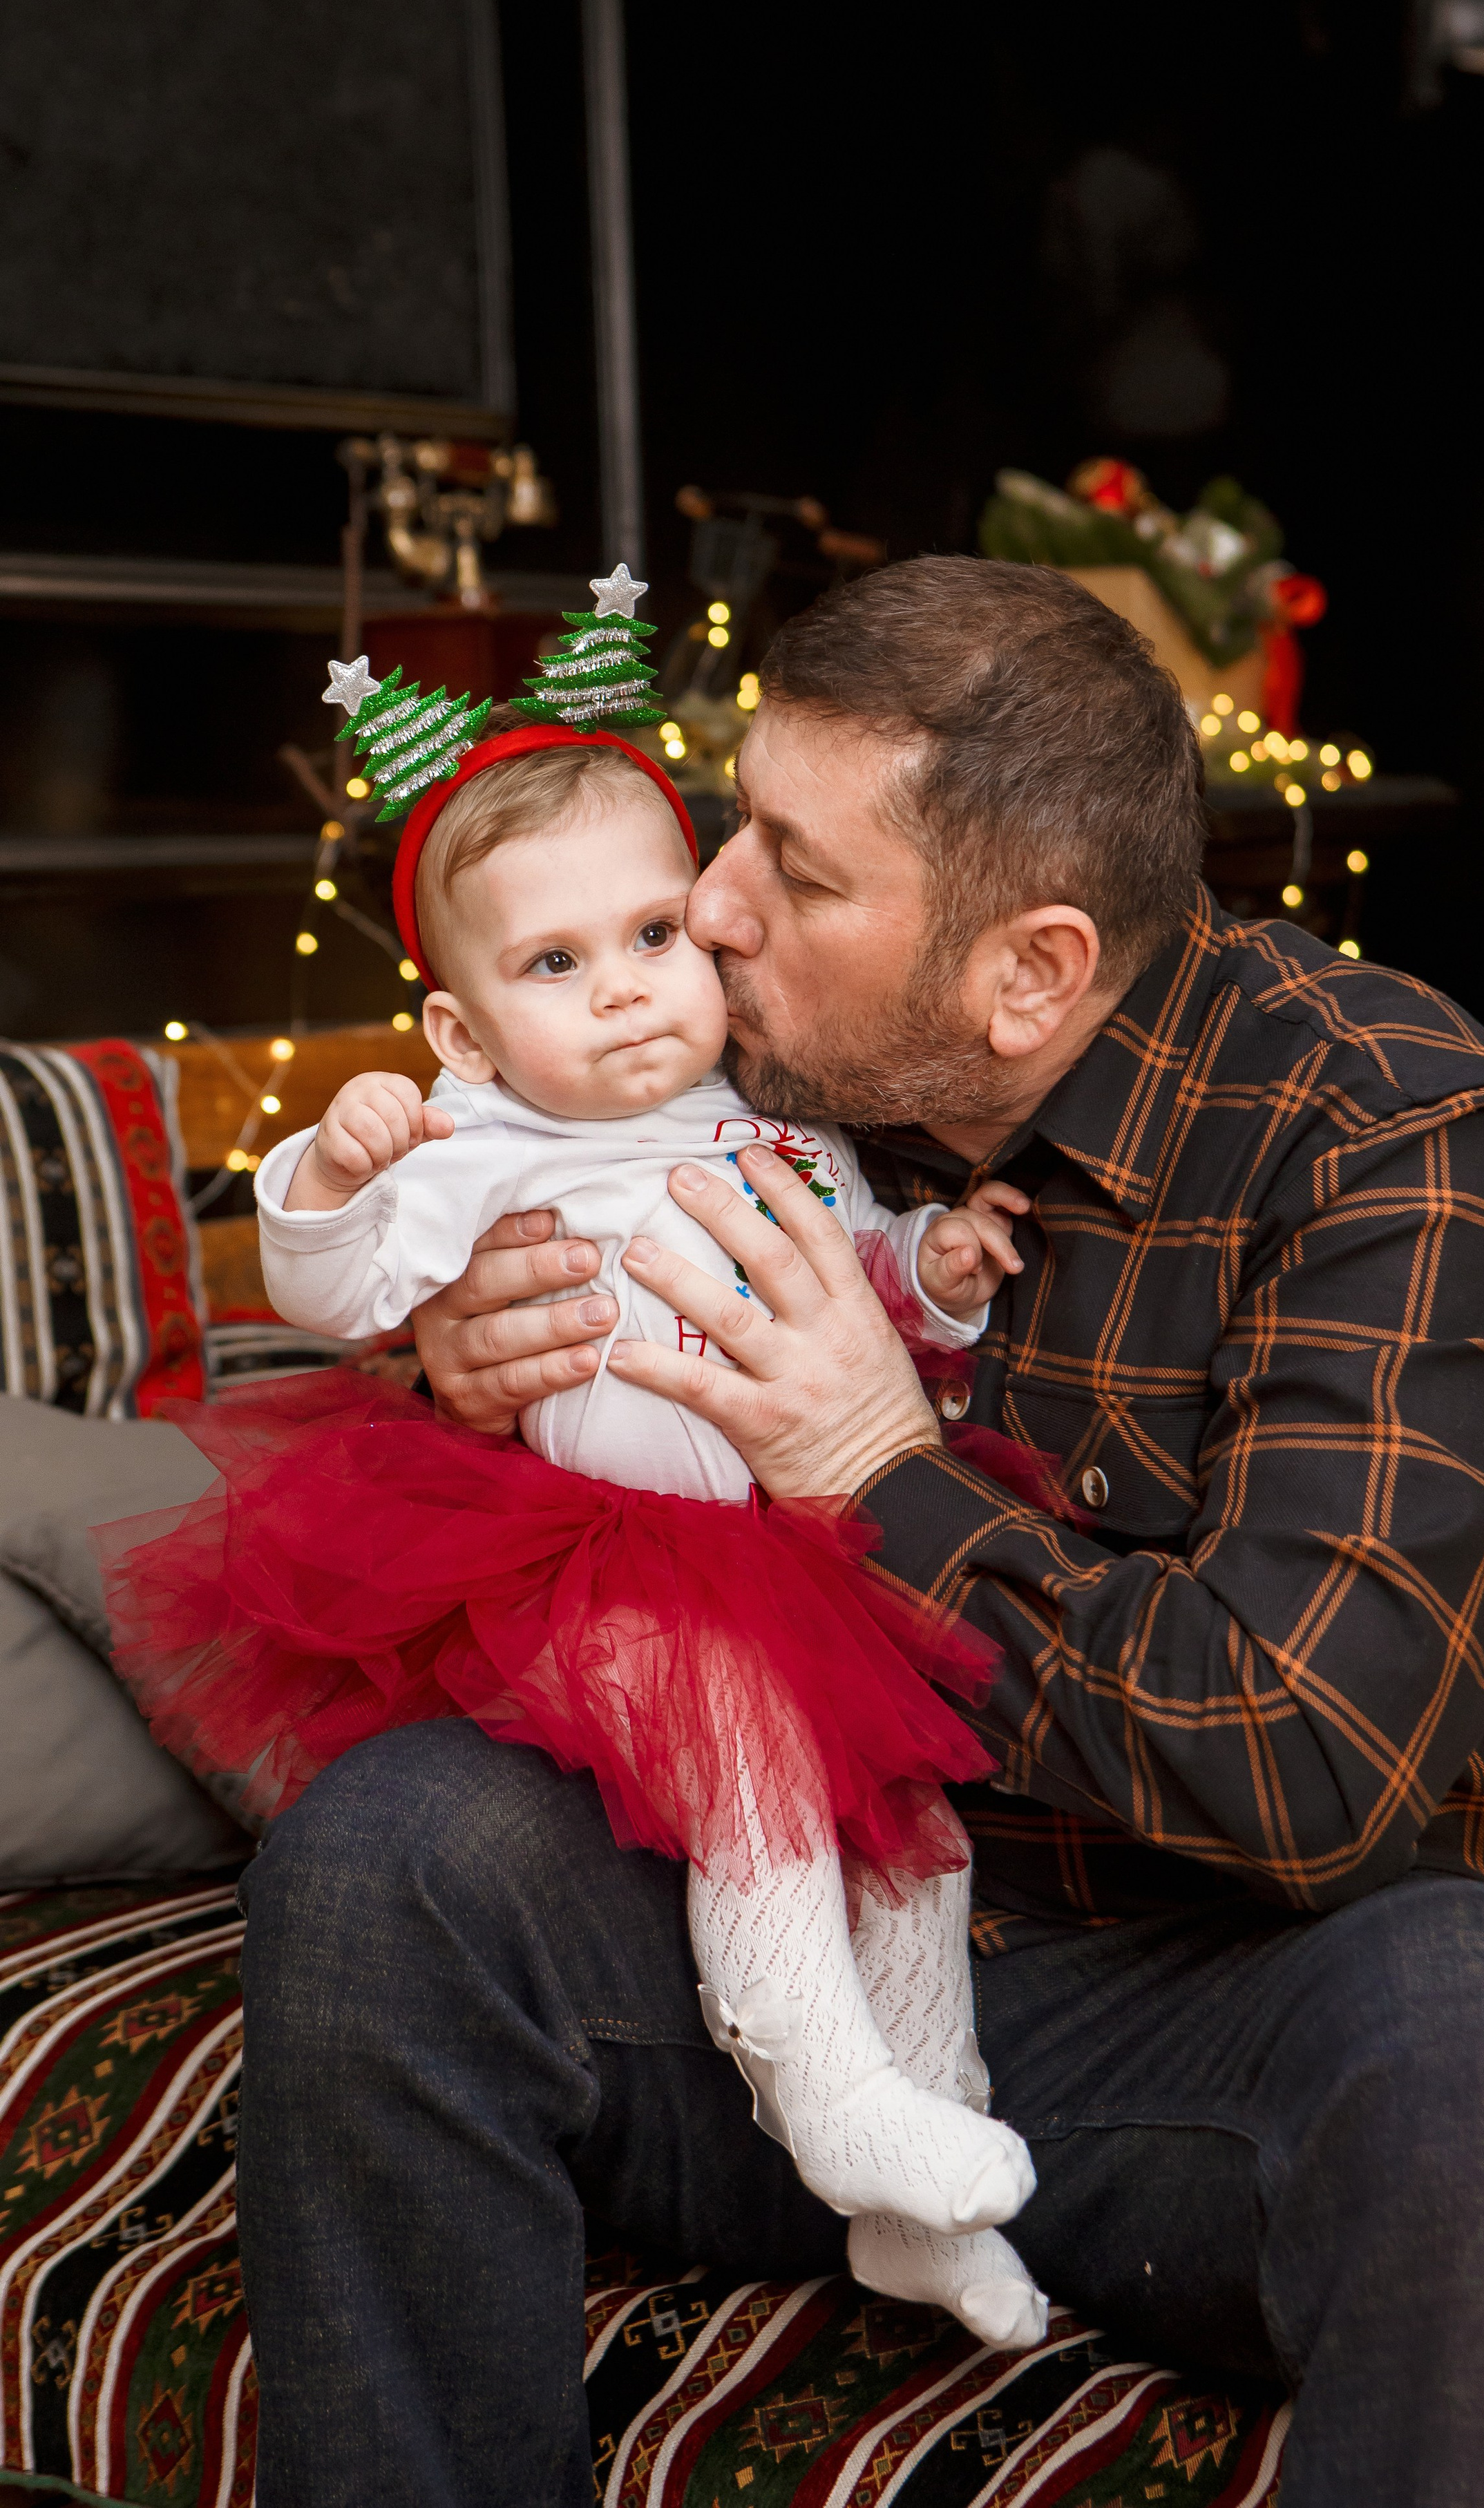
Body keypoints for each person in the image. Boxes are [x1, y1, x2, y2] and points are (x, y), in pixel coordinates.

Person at [234, 557, 1484, 2508]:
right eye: (733, 822)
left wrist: (877, 1474)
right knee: (388, 1857)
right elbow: (438, 1252)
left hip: (1202, 2000)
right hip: (758, 1957)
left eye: (796, 874)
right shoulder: (742, 1040)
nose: (712, 911)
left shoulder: (1393, 1144)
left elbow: (1321, 1764)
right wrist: (481, 1367)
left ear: (1032, 972)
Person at [104, 654, 1057, 2347]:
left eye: (650, 938)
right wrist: (331, 1171)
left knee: (916, 1842)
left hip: (799, 1553)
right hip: (604, 1576)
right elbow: (331, 1291)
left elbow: (862, 1289)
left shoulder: (784, 1124)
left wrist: (944, 1267)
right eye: (555, 964)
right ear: (467, 1029)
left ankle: (933, 2164)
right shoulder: (479, 1140)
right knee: (757, 1772)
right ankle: (822, 2091)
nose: (621, 993)